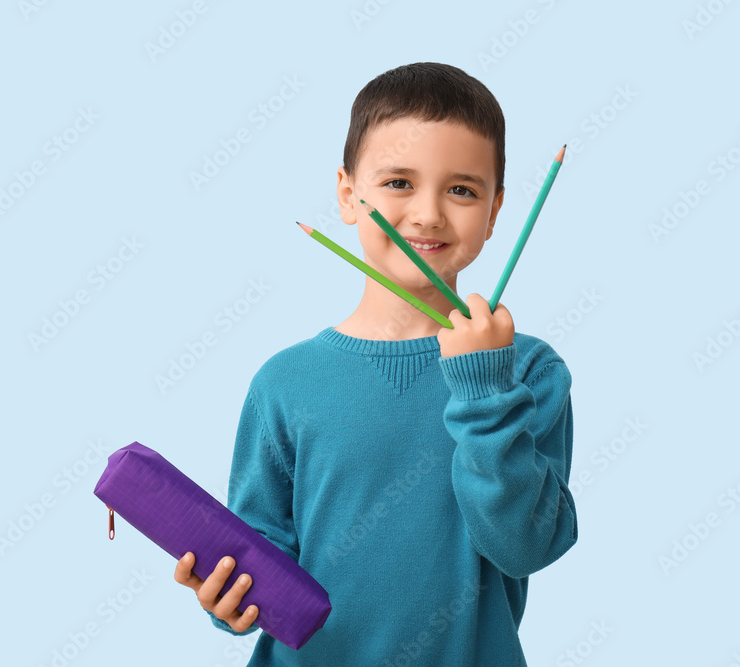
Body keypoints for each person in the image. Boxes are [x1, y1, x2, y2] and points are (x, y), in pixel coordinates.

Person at [174, 61, 577, 666]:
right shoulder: (285, 383)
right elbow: (258, 553)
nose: (428, 214)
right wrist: (227, 597)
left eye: (462, 189)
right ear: (347, 195)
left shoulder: (527, 370)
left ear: (495, 212)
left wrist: (484, 388)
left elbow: (524, 545)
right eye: (397, 183)